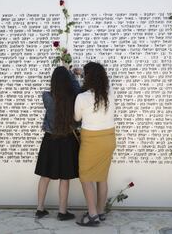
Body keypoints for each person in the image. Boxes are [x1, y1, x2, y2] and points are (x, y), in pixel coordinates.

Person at [34, 66, 81, 221]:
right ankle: (62, 212)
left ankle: (40, 209)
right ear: (67, 81)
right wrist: (72, 76)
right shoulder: (74, 97)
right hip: (68, 140)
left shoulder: (46, 96)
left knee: (45, 175)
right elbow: (77, 90)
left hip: (50, 139)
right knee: (64, 177)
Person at [74, 62, 116, 226]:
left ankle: (92, 216)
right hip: (109, 138)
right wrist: (84, 73)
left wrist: (77, 75)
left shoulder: (82, 97)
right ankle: (100, 211)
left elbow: (77, 118)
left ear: (87, 78)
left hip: (91, 139)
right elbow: (105, 81)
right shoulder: (109, 93)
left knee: (85, 177)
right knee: (102, 177)